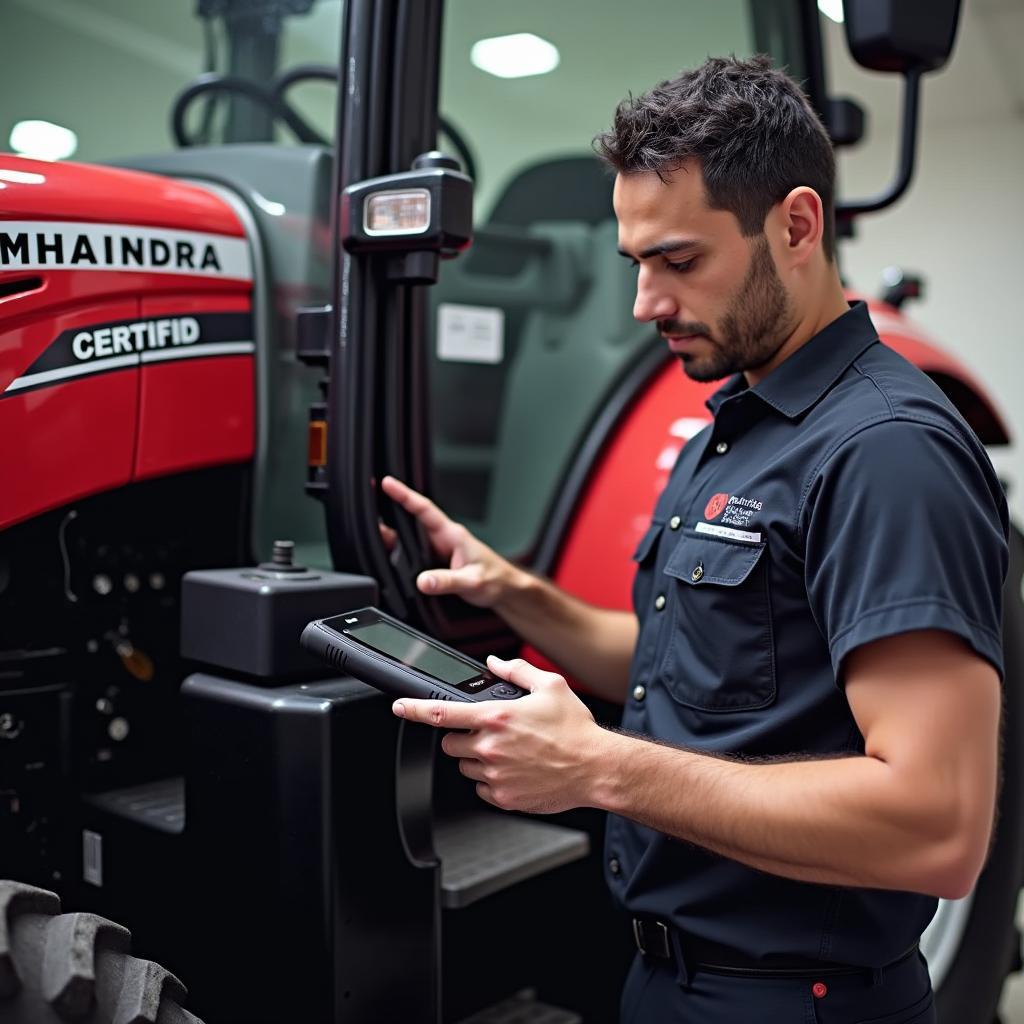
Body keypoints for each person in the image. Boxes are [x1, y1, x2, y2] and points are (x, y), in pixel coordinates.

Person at [381, 56, 1008, 1023]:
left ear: (797, 226)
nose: (646, 305)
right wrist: (513, 590)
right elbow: (696, 665)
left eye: (679, 262)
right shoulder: (737, 421)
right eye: (636, 264)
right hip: (672, 980)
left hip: (797, 1001)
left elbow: (935, 827)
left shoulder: (887, 455)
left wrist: (597, 767)